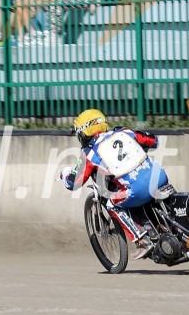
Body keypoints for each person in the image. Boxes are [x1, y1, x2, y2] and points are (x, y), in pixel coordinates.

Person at [60, 109, 169, 260]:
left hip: (137, 190)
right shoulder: (123, 132)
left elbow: (74, 183)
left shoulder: (90, 153)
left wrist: (64, 174)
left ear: (84, 132)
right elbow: (153, 141)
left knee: (112, 202)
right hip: (160, 175)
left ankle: (142, 241)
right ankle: (165, 226)